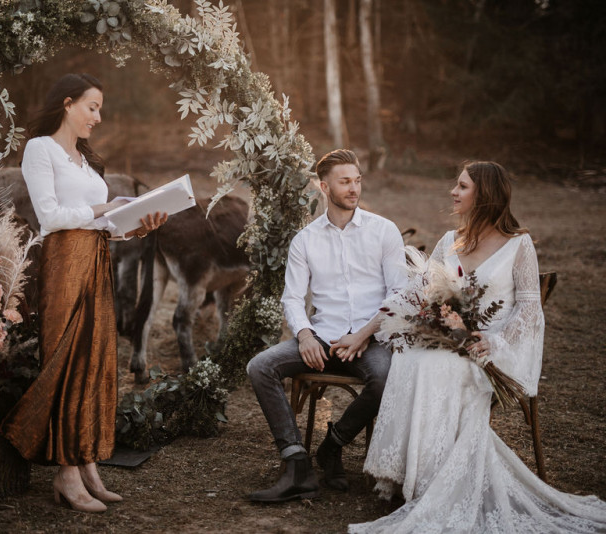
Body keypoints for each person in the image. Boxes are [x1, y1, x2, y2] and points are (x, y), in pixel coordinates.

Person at [350, 162, 606, 532]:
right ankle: (411, 473)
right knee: (409, 356)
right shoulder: (448, 241)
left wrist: (495, 342)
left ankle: (434, 480)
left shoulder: (519, 244)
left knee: (437, 367)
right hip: (448, 339)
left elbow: (529, 309)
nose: (453, 192)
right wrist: (366, 332)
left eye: (462, 186)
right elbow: (414, 293)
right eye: (456, 184)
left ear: (484, 195)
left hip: (489, 350)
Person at [0, 73, 167, 513]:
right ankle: (66, 473)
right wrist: (102, 209)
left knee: (95, 360)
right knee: (68, 359)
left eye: (99, 109)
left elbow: (104, 227)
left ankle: (88, 461)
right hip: (63, 263)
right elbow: (51, 216)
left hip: (95, 259)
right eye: (92, 107)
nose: (98, 116)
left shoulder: (86, 160)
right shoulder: (41, 149)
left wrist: (136, 224)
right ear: (68, 104)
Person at [246, 149, 407, 502]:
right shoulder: (305, 240)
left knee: (385, 378)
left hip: (372, 339)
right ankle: (296, 463)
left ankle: (331, 446)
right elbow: (292, 298)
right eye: (345, 181)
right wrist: (304, 335)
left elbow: (399, 294)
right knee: (260, 366)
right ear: (323, 186)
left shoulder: (384, 231)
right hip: (322, 337)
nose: (354, 188)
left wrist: (363, 335)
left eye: (357, 180)